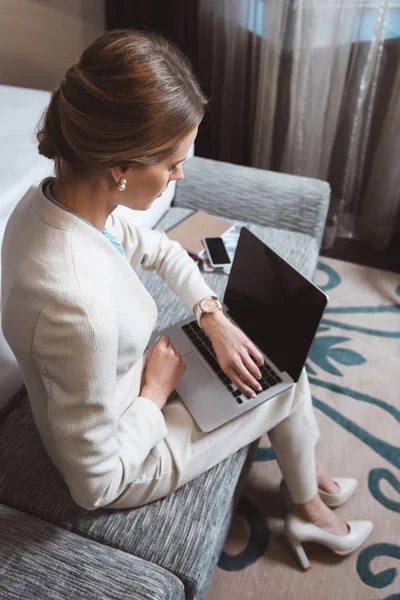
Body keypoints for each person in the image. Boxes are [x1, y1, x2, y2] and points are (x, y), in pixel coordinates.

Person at [1, 29, 372, 570]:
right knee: (280, 374)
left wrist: (212, 315)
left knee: (254, 349)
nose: (180, 176)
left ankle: (306, 476)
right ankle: (309, 507)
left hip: (125, 387)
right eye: (173, 163)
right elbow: (94, 482)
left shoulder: (53, 203)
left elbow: (159, 249)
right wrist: (154, 393)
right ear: (120, 167)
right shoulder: (76, 306)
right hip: (131, 457)